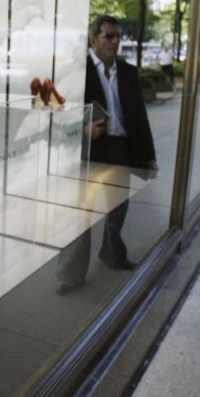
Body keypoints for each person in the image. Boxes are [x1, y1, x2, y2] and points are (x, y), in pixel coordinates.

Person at [56, 15, 158, 294]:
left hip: (120, 147)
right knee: (81, 212)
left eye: (117, 37)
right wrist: (84, 128)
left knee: (118, 207)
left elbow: (139, 117)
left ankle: (113, 255)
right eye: (109, 36)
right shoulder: (76, 70)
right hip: (89, 149)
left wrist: (149, 155)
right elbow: (57, 113)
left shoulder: (127, 71)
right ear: (94, 40)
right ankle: (70, 275)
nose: (115, 42)